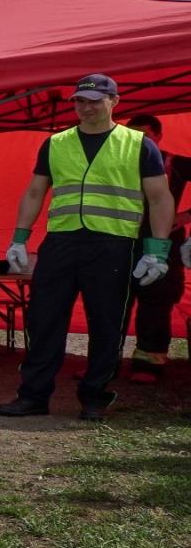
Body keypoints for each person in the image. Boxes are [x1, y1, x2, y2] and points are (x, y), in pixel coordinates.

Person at [0, 75, 174, 421]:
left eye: (95, 100)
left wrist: (157, 249)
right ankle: (33, 395)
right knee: (44, 319)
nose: (86, 107)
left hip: (114, 244)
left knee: (107, 322)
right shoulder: (56, 143)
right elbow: (35, 191)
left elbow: (159, 197)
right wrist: (19, 237)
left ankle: (95, 396)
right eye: (80, 101)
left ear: (114, 101)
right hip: (62, 241)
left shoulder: (138, 144)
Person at [123, 115, 191, 383]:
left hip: (163, 242)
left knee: (156, 301)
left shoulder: (173, 162)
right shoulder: (116, 163)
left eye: (145, 135)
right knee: (111, 300)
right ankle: (105, 361)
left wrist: (185, 216)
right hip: (121, 241)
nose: (139, 142)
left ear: (158, 136)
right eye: (133, 136)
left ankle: (149, 362)